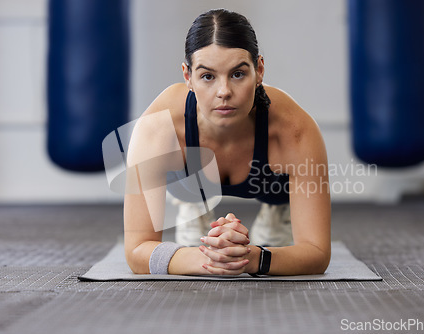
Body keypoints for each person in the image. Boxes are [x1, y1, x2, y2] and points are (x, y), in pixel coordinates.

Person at [124, 8, 331, 276]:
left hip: (270, 184)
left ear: (259, 70)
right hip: (187, 176)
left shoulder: (294, 130)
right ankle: (193, 206)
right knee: (181, 168)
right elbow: (136, 250)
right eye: (208, 76)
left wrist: (252, 256)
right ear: (188, 76)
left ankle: (277, 210)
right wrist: (212, 257)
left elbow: (317, 252)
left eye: (237, 74)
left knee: (276, 229)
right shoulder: (158, 126)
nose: (224, 92)